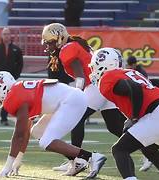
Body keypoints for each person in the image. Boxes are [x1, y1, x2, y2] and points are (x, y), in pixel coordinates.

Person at [90, 47, 159, 180]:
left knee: (119, 149)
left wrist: (134, 117)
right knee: (149, 150)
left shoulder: (107, 78)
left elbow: (135, 88)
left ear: (103, 64)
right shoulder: (132, 72)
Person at [41, 23, 127, 175]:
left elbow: (80, 76)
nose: (47, 45)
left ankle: (76, 161)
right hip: (103, 84)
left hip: (96, 86)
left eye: (50, 41)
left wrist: (77, 95)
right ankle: (148, 149)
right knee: (114, 126)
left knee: (76, 118)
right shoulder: (73, 44)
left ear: (60, 38)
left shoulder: (68, 49)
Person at [0, 71, 107, 179]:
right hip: (67, 100)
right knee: (37, 132)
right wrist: (17, 160)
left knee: (45, 141)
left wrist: (7, 167)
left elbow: (19, 135)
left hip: (71, 101)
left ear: (2, 88)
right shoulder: (20, 90)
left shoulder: (16, 97)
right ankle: (78, 161)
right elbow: (25, 131)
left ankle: (91, 157)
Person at [0, 27, 23, 126]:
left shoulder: (16, 50)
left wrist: (15, 76)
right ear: (1, 36)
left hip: (9, 80)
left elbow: (20, 64)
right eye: (4, 34)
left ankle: (4, 119)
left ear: (11, 36)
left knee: (7, 100)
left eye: (8, 34)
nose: (6, 36)